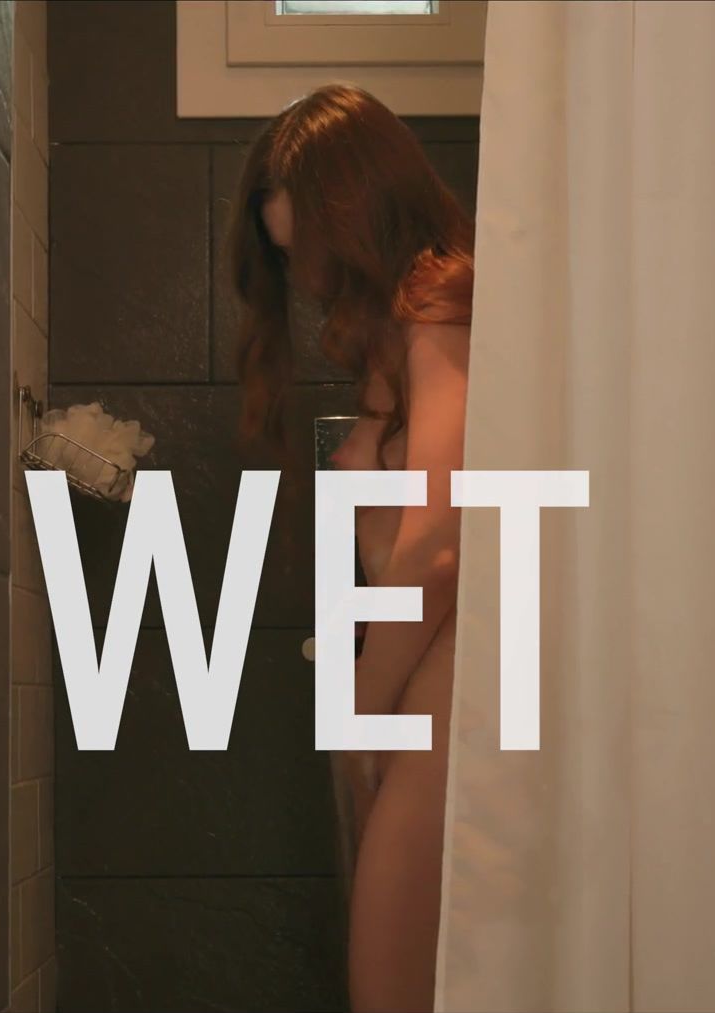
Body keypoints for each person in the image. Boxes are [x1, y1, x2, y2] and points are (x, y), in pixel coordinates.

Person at [228, 82, 473, 1013]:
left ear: (357, 217)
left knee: (391, 986)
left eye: (315, 258)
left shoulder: (439, 314)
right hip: (426, 685)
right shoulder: (406, 338)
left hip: (449, 687)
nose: (311, 284)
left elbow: (440, 545)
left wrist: (360, 711)